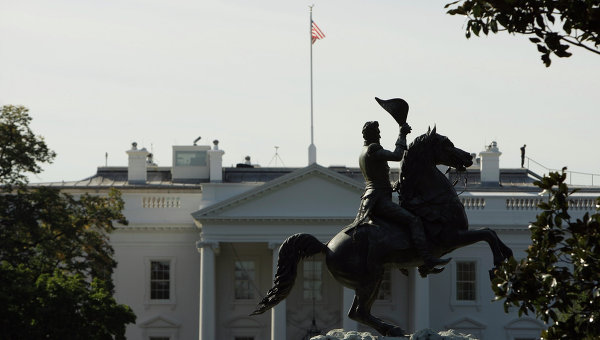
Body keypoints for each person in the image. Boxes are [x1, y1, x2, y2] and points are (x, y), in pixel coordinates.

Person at [354, 120, 451, 272]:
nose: (380, 135)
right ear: (372, 134)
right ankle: (426, 260)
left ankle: (404, 258)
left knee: (400, 223)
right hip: (379, 200)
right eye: (378, 132)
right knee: (414, 220)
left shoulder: (363, 151)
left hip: (373, 198)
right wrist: (402, 134)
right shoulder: (373, 149)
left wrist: (393, 186)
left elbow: (376, 179)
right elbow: (397, 155)